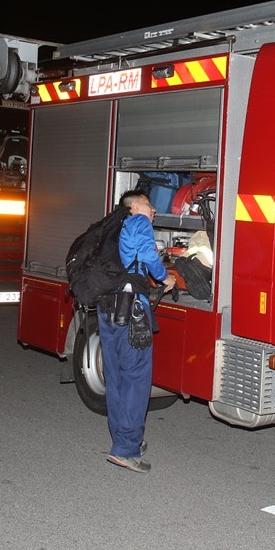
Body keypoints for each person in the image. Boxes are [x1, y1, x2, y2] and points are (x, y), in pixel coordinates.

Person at [99, 189, 176, 473]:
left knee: (116, 377)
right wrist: (165, 276)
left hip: (108, 310)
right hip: (132, 310)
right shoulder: (137, 222)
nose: (153, 210)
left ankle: (125, 438)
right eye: (148, 204)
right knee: (136, 379)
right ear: (133, 207)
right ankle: (126, 448)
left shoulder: (111, 227)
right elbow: (147, 253)